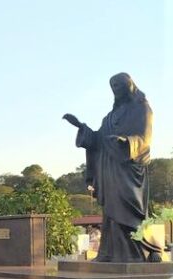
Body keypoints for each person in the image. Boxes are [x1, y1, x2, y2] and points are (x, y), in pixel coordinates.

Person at [63, 73, 153, 262]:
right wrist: (82, 128)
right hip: (108, 169)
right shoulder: (109, 117)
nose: (116, 89)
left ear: (129, 85)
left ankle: (137, 254)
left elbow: (145, 140)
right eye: (113, 86)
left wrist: (126, 142)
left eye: (119, 85)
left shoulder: (142, 109)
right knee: (111, 212)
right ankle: (108, 253)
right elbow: (99, 140)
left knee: (128, 211)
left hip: (128, 169)